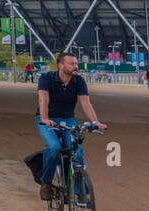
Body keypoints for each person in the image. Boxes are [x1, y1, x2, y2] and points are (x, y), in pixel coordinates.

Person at [36, 51, 106, 201]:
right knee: (54, 148)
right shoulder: (46, 78)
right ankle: (46, 182)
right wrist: (44, 118)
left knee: (77, 153)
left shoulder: (78, 81)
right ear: (61, 65)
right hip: (48, 119)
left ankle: (79, 192)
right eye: (72, 64)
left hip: (68, 120)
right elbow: (43, 99)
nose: (76, 66)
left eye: (76, 63)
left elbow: (86, 103)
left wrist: (95, 122)